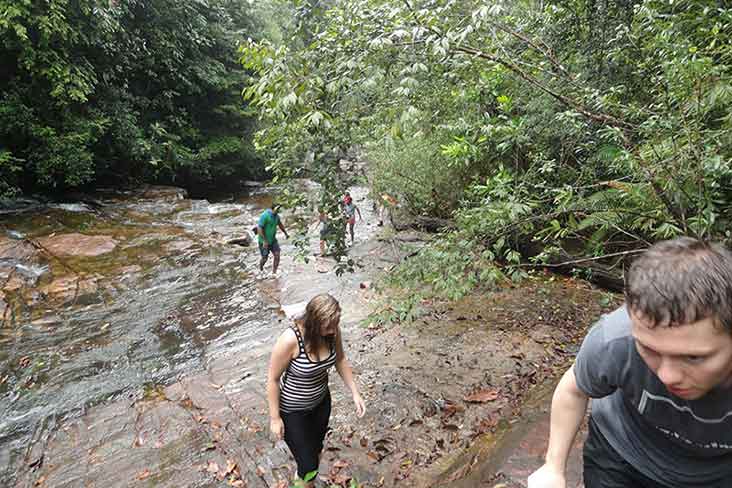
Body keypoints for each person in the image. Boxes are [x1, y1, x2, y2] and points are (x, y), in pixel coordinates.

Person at [528, 237, 732, 488]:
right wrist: (553, 467)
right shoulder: (615, 339)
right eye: (648, 349)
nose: (667, 376)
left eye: (693, 357)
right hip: (622, 454)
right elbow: (573, 389)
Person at [267, 294, 366, 486]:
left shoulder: (332, 332)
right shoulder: (290, 340)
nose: (332, 331)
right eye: (328, 326)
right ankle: (305, 478)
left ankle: (306, 480)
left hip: (321, 403)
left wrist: (355, 393)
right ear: (313, 322)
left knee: (315, 450)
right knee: (309, 464)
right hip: (293, 410)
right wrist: (275, 418)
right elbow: (272, 379)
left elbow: (340, 360)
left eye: (335, 324)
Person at [257, 204, 289, 273]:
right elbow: (259, 228)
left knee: (277, 255)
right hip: (263, 241)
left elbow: (280, 225)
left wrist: (286, 233)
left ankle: (274, 272)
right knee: (265, 258)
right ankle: (261, 269)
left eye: (279, 209)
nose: (278, 210)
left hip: (273, 240)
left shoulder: (277, 217)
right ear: (272, 208)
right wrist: (265, 241)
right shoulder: (265, 216)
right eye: (277, 209)